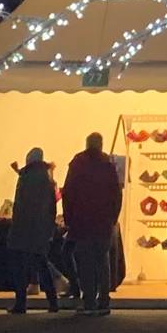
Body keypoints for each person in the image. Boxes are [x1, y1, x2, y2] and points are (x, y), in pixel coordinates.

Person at [60, 131, 122, 315]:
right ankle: (104, 299)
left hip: (82, 220)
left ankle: (89, 301)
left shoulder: (78, 163)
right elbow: (116, 194)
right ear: (101, 144)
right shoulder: (108, 165)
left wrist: (69, 218)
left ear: (87, 144)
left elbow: (68, 192)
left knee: (85, 261)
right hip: (103, 221)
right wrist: (113, 217)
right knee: (102, 260)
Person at [7, 148, 62, 313]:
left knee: (20, 266)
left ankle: (20, 302)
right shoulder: (46, 178)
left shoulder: (28, 177)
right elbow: (51, 206)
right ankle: (53, 301)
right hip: (40, 228)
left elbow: (23, 204)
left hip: (25, 228)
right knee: (41, 263)